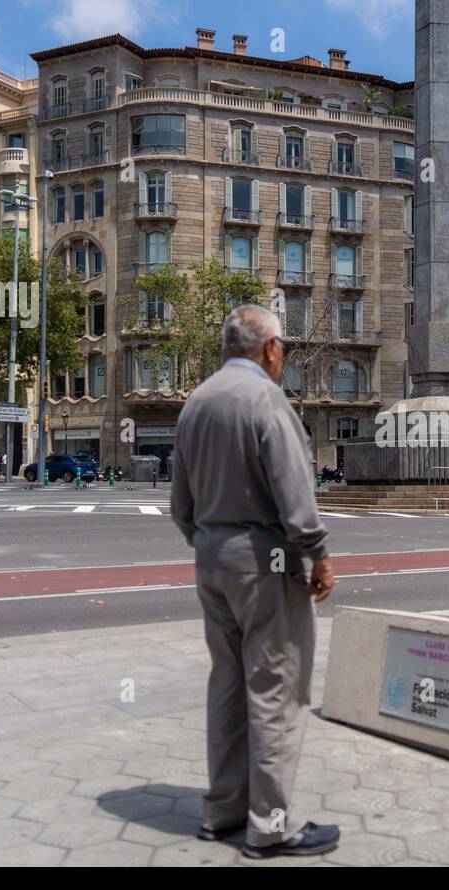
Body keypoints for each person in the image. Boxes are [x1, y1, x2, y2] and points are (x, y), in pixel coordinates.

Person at [171, 304, 340, 859]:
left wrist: (211, 542)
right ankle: (270, 826)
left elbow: (180, 505)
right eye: (283, 349)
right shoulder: (266, 400)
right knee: (276, 689)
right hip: (264, 562)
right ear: (269, 348)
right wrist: (317, 556)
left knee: (227, 685)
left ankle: (222, 811)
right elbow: (297, 497)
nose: (283, 357)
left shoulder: (196, 402)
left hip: (211, 558)